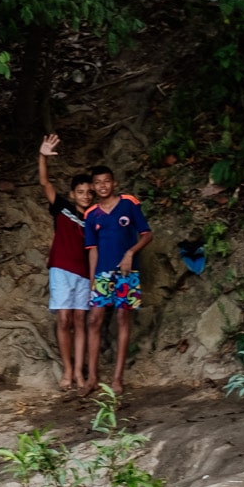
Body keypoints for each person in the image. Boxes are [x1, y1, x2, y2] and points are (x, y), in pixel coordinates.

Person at [83, 167, 152, 394]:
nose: (103, 186)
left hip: (127, 273)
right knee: (95, 320)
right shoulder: (91, 214)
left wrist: (130, 253)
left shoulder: (129, 203)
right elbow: (92, 250)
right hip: (102, 273)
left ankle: (117, 379)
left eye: (107, 181)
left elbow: (147, 234)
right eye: (98, 182)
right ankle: (92, 378)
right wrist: (92, 280)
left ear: (114, 183)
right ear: (93, 187)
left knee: (123, 317)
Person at [37, 135, 93, 392]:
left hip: (83, 274)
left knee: (80, 321)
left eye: (89, 192)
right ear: (72, 194)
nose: (85, 196)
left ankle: (80, 374)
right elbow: (44, 182)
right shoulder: (62, 208)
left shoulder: (94, 220)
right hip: (60, 269)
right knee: (63, 320)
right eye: (80, 192)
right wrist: (43, 156)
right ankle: (68, 371)